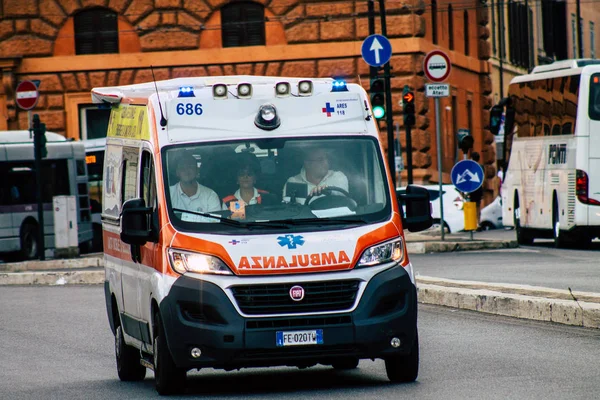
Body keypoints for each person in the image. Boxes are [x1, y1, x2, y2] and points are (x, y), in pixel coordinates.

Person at [283, 147, 348, 204]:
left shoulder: (338, 177)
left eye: (326, 159)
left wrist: (326, 191)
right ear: (308, 164)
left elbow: (343, 198)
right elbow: (288, 210)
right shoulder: (293, 182)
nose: (326, 163)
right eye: (320, 160)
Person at [469, 151, 484, 231]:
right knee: (478, 207)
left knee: (472, 206)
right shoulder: (481, 167)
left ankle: (473, 224)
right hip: (479, 188)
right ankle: (478, 222)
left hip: (471, 189)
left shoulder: (471, 166)